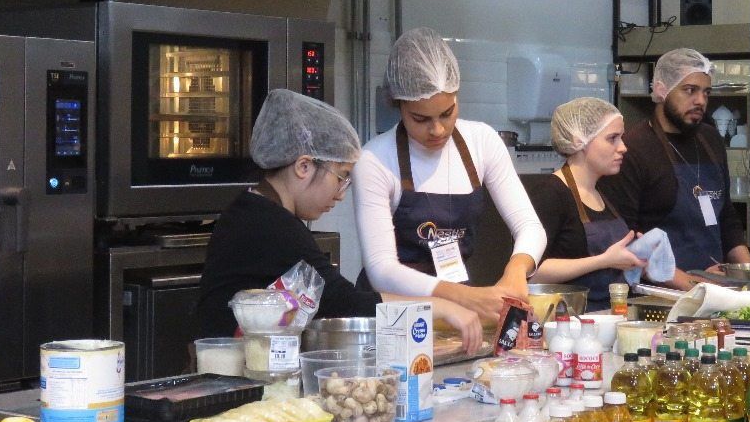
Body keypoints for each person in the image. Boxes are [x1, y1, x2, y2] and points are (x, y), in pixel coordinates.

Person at [195, 89, 482, 353]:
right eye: (341, 177)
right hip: (228, 372)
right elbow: (345, 303)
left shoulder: (254, 210)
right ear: (303, 166)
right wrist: (440, 307)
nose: (341, 193)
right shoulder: (272, 225)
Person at [352, 28, 546, 321]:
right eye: (420, 119)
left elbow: (529, 225)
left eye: (447, 113)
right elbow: (382, 270)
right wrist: (464, 297)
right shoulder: (375, 159)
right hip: (395, 313)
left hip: (459, 309)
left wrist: (517, 268)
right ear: (398, 105)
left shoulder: (482, 142)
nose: (437, 130)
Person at [601, 47, 750, 285]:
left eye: (706, 92)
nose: (700, 101)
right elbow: (628, 240)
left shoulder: (710, 139)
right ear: (661, 90)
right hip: (661, 291)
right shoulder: (633, 148)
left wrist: (748, 274)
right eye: (690, 90)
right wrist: (691, 283)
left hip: (713, 284)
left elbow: (726, 218)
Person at [529, 97, 646, 308]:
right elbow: (532, 273)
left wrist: (637, 254)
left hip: (612, 314)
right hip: (569, 318)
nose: (623, 148)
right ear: (579, 141)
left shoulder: (604, 192)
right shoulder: (550, 194)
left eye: (621, 138)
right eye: (612, 138)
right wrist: (604, 260)